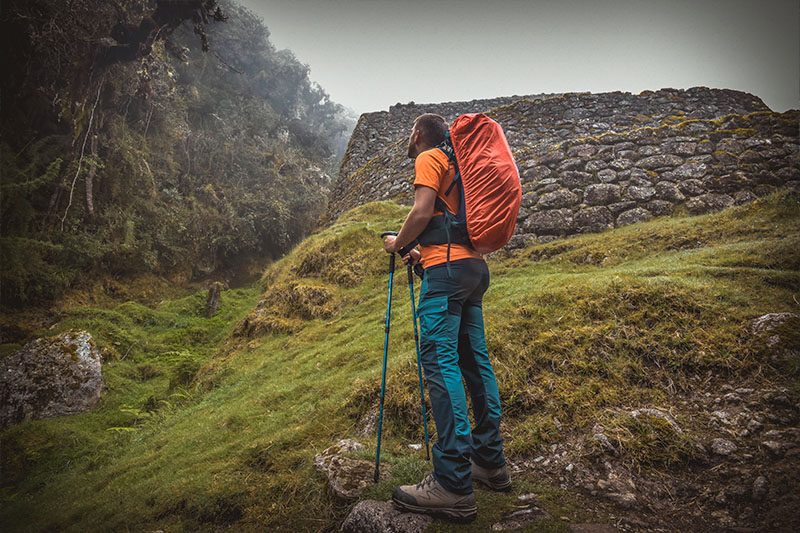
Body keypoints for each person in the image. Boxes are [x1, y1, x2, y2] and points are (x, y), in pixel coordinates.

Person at [382, 113, 509, 522]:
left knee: (440, 364)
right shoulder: (460, 166)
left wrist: (396, 244)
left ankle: (453, 482)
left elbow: (420, 213)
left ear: (418, 134)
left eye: (409, 134)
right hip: (473, 270)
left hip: (448, 275)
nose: (408, 139)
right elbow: (445, 224)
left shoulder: (429, 157)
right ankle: (489, 462)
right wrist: (419, 252)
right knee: (475, 363)